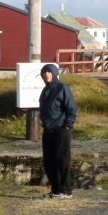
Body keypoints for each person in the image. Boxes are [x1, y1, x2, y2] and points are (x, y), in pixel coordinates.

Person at [38, 63, 77, 199]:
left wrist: (67, 125)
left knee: (62, 160)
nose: (46, 74)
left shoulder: (62, 88)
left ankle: (65, 190)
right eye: (44, 72)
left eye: (49, 72)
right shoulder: (45, 90)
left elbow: (71, 108)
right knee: (49, 161)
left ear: (54, 74)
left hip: (61, 129)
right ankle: (55, 189)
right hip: (48, 130)